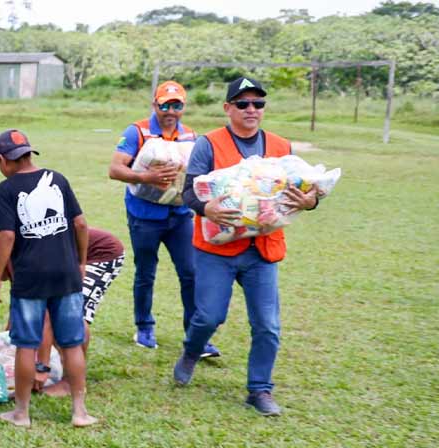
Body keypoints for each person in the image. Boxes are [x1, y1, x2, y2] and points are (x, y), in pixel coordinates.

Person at [173, 76, 319, 416]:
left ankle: (259, 389)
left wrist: (311, 201)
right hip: (217, 248)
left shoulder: (282, 147)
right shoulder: (208, 144)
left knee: (267, 324)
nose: (251, 110)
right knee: (208, 316)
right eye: (243, 104)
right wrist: (205, 208)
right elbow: (189, 191)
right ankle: (192, 351)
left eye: (258, 104)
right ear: (228, 109)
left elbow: (307, 192)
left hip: (263, 250)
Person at [0, 129, 98, 428]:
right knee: (72, 344)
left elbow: (7, 236)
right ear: (29, 154)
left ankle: (21, 413)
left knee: (26, 345)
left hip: (29, 278)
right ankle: (80, 412)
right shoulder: (58, 179)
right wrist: (82, 262)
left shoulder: (6, 189)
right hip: (66, 274)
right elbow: (81, 224)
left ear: (2, 160)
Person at [108, 81, 218, 358]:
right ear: (154, 105)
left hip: (180, 216)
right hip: (144, 216)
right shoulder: (137, 131)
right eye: (164, 105)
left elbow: (200, 175)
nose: (170, 111)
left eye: (177, 105)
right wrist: (147, 177)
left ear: (184, 107)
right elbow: (115, 169)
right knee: (146, 272)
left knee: (190, 273)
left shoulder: (191, 136)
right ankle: (144, 327)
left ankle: (196, 336)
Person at [0, 226, 125, 396]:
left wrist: (42, 367)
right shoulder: (13, 261)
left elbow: (45, 317)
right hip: (70, 259)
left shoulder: (21, 258)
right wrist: (6, 345)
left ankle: (72, 382)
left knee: (71, 316)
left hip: (99, 254)